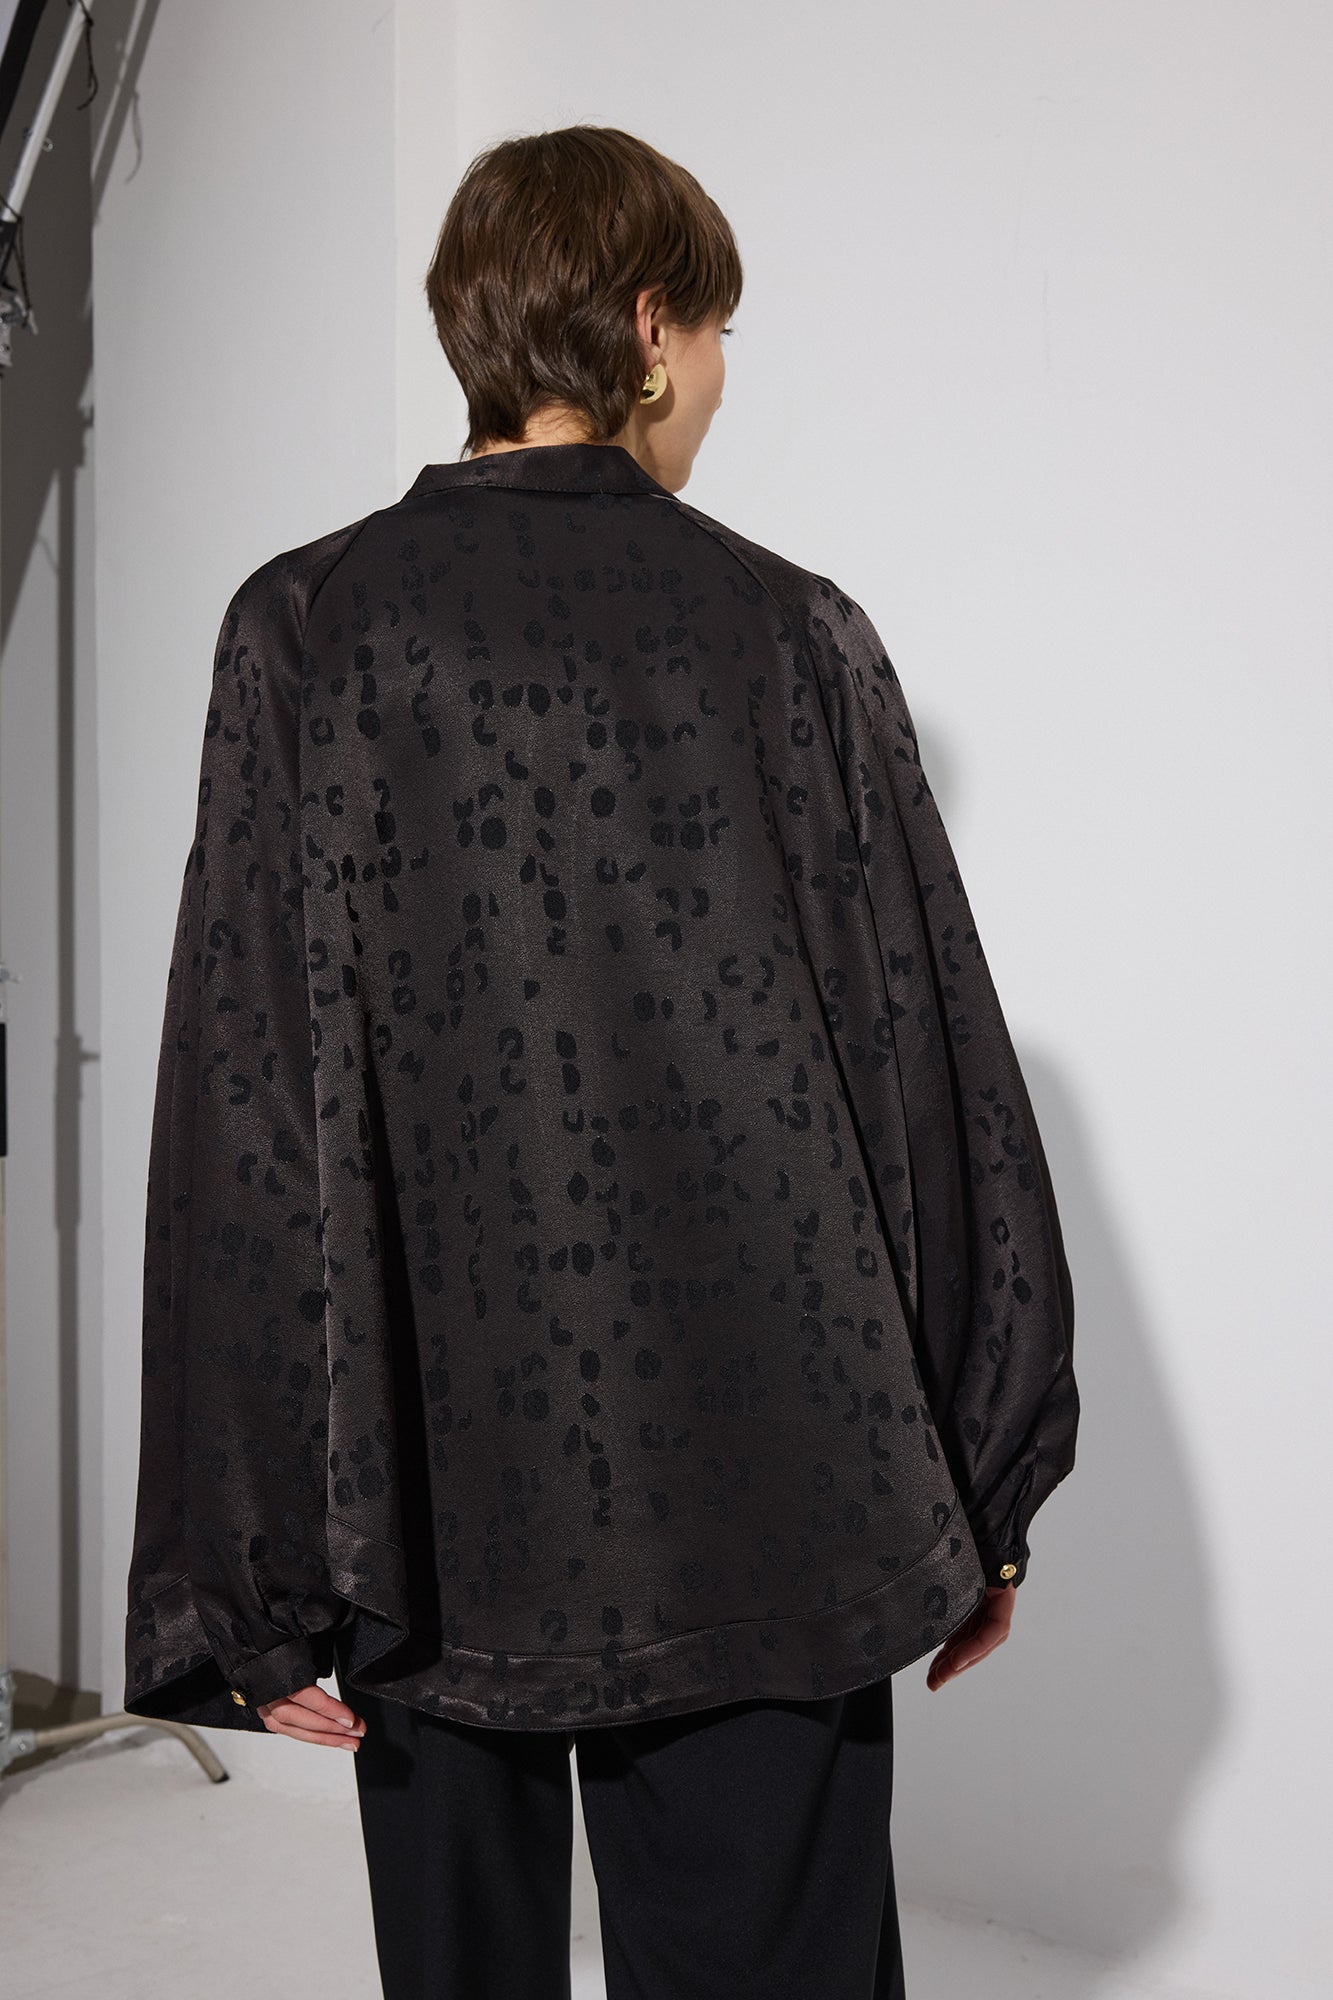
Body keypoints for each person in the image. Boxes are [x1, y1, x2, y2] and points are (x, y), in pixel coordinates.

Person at [123, 124, 1078, 1999]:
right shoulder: (790, 632)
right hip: (776, 1484)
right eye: (714, 334)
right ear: (648, 328)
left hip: (426, 1495)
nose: (717, 380)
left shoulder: (307, 626)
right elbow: (929, 1074)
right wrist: (983, 1487)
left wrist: (254, 1564)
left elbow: (246, 1101)